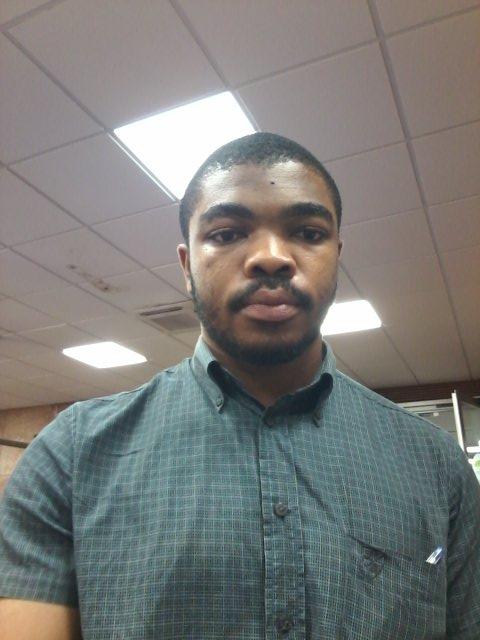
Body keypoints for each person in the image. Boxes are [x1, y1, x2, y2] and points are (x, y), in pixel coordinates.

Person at [0, 132, 479, 639]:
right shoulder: (72, 456)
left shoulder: (436, 465)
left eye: (308, 232)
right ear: (187, 266)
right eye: (227, 234)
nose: (271, 257)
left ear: (336, 256)